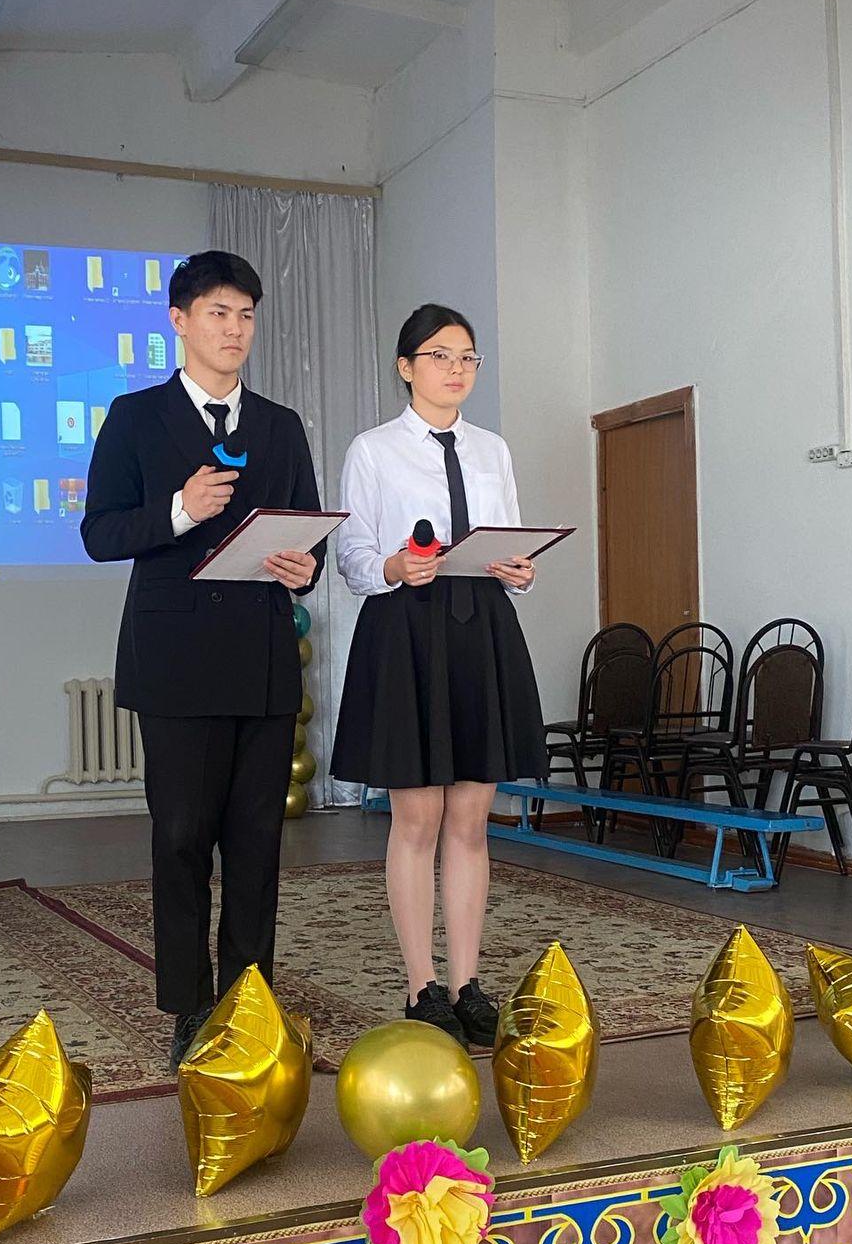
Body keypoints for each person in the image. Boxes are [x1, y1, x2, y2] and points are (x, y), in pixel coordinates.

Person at [80, 250, 324, 1067]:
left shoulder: (280, 426)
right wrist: (179, 511)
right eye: (218, 313)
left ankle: (248, 999)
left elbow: (308, 530)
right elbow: (99, 533)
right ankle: (189, 1005)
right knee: (182, 838)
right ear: (179, 321)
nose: (234, 329)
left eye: (246, 315)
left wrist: (305, 566)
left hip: (262, 656)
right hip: (176, 660)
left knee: (257, 842)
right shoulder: (135, 417)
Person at [331, 304, 547, 1049]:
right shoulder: (373, 449)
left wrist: (520, 570)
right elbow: (354, 556)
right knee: (418, 819)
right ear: (406, 366)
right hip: (408, 629)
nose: (456, 370)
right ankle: (421, 985)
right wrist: (393, 565)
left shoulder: (492, 449)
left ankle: (467, 985)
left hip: (480, 626)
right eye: (439, 356)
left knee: (470, 820)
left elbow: (509, 540)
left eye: (467, 358)